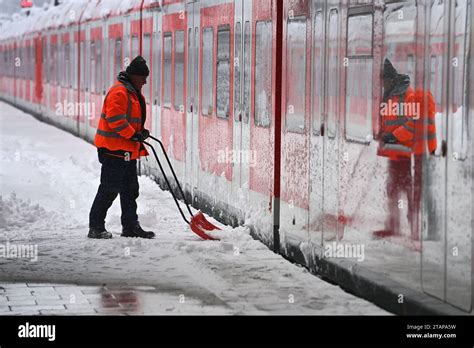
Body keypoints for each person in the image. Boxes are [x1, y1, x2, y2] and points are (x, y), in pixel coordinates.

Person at [88, 56, 155, 239]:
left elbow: (129, 119)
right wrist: (134, 134)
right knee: (109, 188)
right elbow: (116, 120)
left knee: (130, 189)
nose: (145, 82)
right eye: (143, 78)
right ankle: (95, 227)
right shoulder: (120, 92)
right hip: (114, 150)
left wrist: (139, 132)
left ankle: (130, 227)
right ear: (134, 76)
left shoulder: (131, 91)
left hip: (127, 149)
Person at [375, 59, 437, 241]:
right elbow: (389, 120)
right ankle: (394, 225)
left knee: (411, 191)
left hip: (408, 153)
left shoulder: (408, 96)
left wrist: (394, 135)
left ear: (392, 79)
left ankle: (414, 229)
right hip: (395, 152)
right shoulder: (390, 96)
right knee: (393, 189)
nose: (383, 84)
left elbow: (415, 124)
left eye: (385, 80)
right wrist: (382, 133)